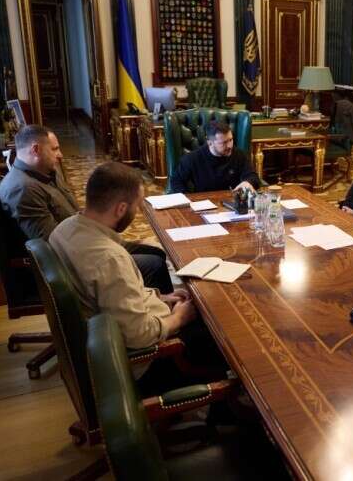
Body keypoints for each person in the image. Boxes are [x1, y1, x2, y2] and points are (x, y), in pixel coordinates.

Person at [50, 162, 225, 395]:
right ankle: (225, 410)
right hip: (139, 362)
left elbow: (111, 297)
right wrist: (178, 319)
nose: (138, 212)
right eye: (138, 205)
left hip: (102, 335)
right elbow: (139, 335)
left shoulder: (64, 229)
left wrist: (162, 298)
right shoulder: (110, 259)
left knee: (201, 310)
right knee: (222, 332)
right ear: (121, 209)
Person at [0, 125, 173, 294]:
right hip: (75, 260)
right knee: (154, 264)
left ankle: (160, 302)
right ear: (36, 149)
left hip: (87, 238)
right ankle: (153, 313)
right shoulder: (22, 188)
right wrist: (108, 249)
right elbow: (51, 244)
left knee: (156, 252)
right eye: (54, 149)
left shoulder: (45, 172)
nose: (60, 155)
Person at [169, 120, 260, 193]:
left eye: (231, 140)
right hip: (204, 205)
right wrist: (188, 200)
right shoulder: (192, 158)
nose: (230, 146)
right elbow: (176, 182)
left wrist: (248, 182)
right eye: (224, 142)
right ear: (210, 143)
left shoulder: (239, 154)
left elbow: (253, 176)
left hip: (232, 204)